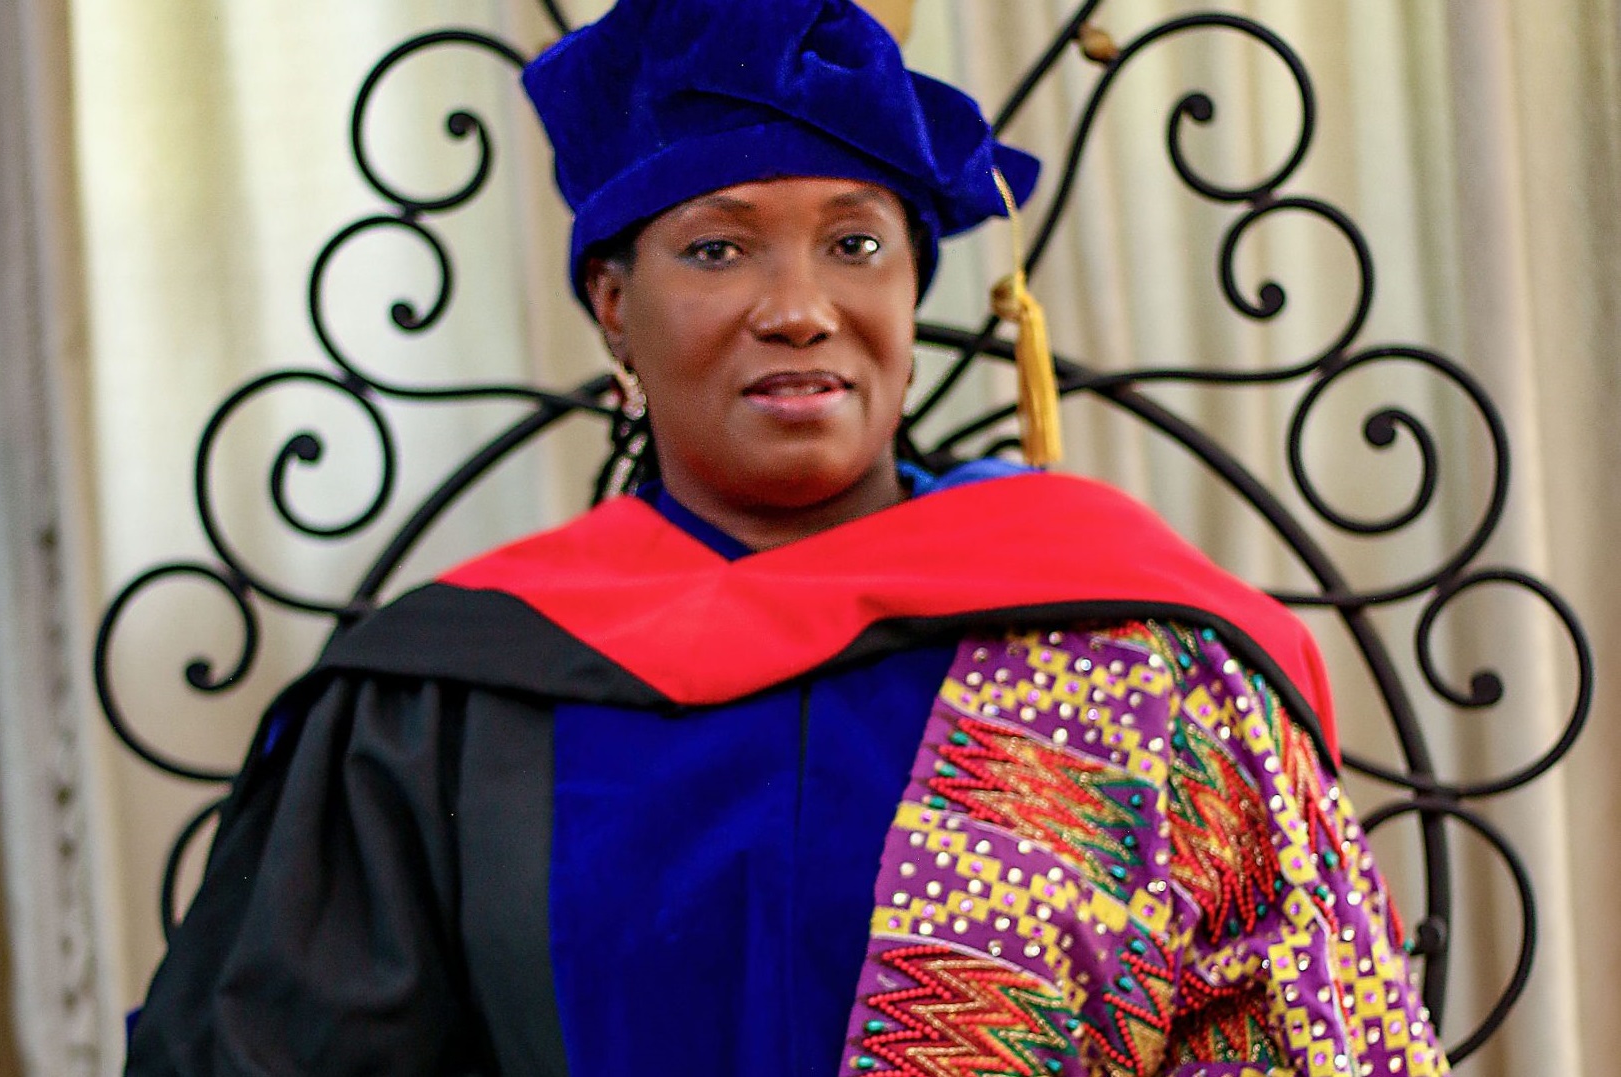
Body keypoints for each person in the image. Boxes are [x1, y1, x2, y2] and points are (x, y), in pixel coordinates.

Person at [125, 1, 1448, 1074]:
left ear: (912, 292)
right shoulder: (440, 699)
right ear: (612, 304)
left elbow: (1308, 1038)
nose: (800, 308)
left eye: (855, 243)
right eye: (717, 250)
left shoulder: (1133, 654)